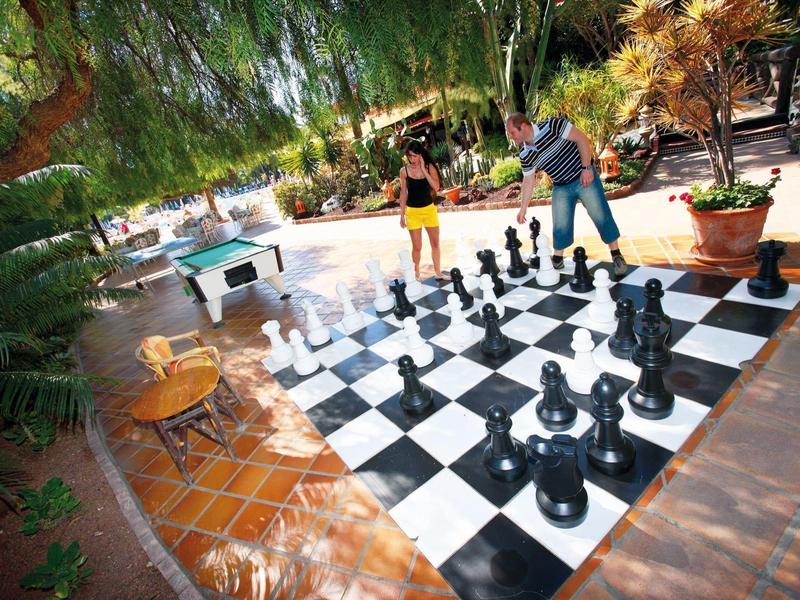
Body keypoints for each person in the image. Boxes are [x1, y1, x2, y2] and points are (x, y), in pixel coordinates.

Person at [506, 112, 628, 276]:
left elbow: (582, 139)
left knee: (601, 214)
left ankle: (616, 255)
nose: (511, 137)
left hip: (583, 177)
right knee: (560, 224)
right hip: (561, 186)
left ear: (524, 126)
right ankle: (558, 259)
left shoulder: (552, 125)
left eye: (512, 133)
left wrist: (586, 168)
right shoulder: (525, 154)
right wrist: (523, 209)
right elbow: (528, 181)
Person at [399, 139, 449, 281]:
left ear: (420, 154)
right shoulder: (404, 171)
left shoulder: (429, 167)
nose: (412, 159)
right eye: (410, 156)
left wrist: (423, 169)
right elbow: (403, 193)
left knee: (435, 243)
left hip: (429, 210)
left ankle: (438, 273)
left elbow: (436, 187)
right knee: (417, 247)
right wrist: (402, 215)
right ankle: (416, 274)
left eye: (415, 155)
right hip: (413, 212)